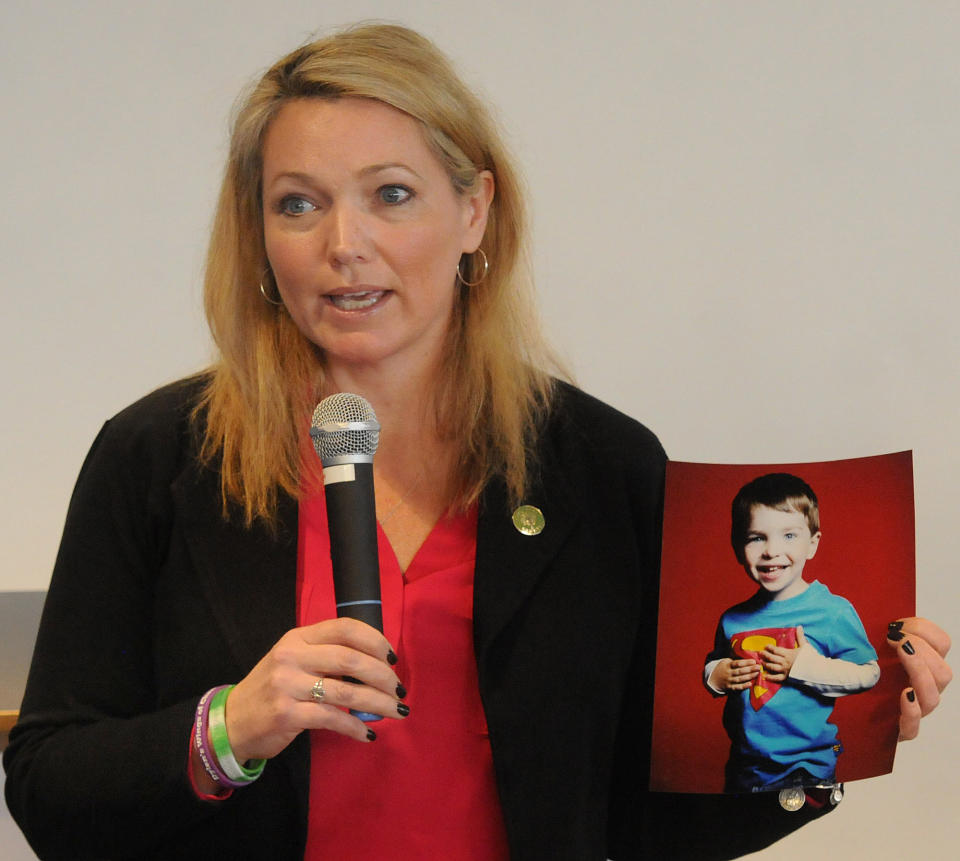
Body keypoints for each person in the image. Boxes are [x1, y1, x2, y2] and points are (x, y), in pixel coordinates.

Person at [3, 22, 951, 861]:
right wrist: (231, 727)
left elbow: (644, 817)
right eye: (298, 203)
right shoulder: (158, 459)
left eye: (392, 194)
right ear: (257, 236)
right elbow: (50, 790)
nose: (345, 242)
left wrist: (842, 736)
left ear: (474, 212)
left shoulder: (602, 467)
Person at [704, 473, 881, 793]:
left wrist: (803, 667)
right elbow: (713, 662)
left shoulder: (832, 611)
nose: (772, 550)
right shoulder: (732, 619)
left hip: (806, 769)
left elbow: (869, 673)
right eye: (756, 537)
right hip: (745, 766)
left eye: (789, 535)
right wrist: (718, 675)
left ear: (812, 544)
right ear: (737, 547)